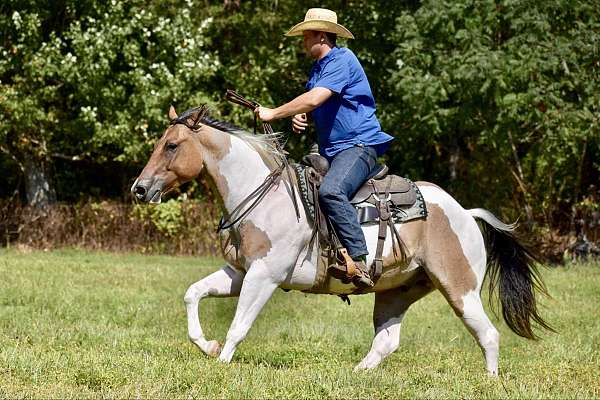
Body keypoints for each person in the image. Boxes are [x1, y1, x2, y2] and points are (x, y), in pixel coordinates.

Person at [255, 8, 393, 288]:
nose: (303, 40)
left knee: (331, 191)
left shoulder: (343, 59)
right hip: (330, 150)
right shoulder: (318, 69)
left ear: (321, 35)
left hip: (358, 145)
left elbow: (315, 97)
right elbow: (313, 101)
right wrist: (300, 115)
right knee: (296, 186)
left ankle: (359, 261)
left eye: (306, 35)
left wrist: (274, 113)